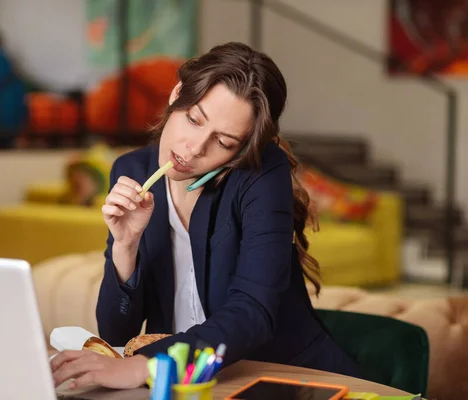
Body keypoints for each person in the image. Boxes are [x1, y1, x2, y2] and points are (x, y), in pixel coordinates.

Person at [50, 42, 361, 390]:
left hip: (284, 379)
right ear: (177, 94)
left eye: (224, 142)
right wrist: (125, 246)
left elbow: (252, 313)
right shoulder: (132, 170)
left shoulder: (259, 174)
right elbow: (116, 333)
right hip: (188, 385)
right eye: (194, 120)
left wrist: (145, 367)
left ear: (243, 149)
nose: (194, 148)